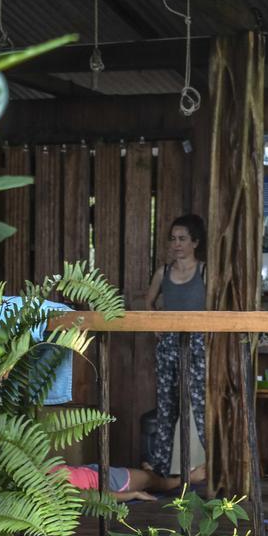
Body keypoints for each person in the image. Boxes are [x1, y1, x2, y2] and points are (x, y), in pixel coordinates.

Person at [143, 215, 207, 483]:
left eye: (182, 239)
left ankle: (208, 466)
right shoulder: (163, 272)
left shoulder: (205, 271)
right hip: (169, 345)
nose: (176, 244)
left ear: (195, 242)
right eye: (173, 239)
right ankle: (161, 468)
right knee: (167, 404)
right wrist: (155, 324)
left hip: (199, 345)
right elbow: (148, 303)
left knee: (199, 403)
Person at [54, 464, 183, 502]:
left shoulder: (37, 471)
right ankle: (187, 478)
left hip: (88, 469)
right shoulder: (59, 489)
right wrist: (135, 494)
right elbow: (97, 497)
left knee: (149, 478)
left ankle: (148, 471)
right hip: (109, 481)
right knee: (154, 481)